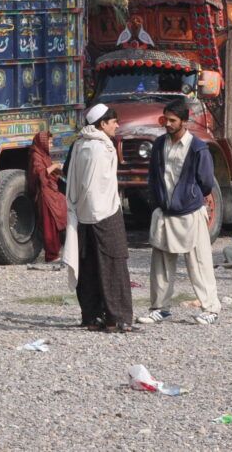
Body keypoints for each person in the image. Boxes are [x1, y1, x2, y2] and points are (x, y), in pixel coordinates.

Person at [138, 98, 222, 326]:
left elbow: (206, 182)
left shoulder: (197, 148)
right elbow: (154, 176)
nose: (167, 124)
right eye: (166, 119)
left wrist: (189, 197)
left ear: (184, 121)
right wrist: (158, 201)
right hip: (165, 213)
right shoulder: (158, 145)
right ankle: (159, 308)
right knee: (161, 264)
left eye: (172, 120)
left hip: (190, 214)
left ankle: (211, 308)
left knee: (199, 263)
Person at [63, 104, 135, 332]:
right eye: (113, 121)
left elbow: (68, 173)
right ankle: (118, 318)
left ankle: (93, 315)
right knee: (114, 262)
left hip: (83, 212)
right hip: (104, 211)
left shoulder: (79, 144)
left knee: (90, 264)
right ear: (102, 124)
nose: (116, 125)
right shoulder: (100, 147)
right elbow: (99, 185)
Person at [28, 132, 67, 264]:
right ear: (42, 142)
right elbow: (39, 174)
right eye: (49, 142)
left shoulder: (45, 155)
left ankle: (58, 251)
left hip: (52, 191)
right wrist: (54, 166)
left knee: (58, 218)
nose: (50, 145)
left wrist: (58, 170)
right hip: (45, 193)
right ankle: (51, 255)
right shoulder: (36, 156)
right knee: (49, 224)